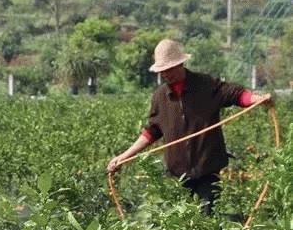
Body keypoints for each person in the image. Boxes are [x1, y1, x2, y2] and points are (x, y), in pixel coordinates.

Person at [107, 39, 272, 216]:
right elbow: (152, 131)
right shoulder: (160, 97)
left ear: (181, 63)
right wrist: (124, 156)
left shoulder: (205, 85)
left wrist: (255, 99)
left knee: (206, 221)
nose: (166, 74)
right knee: (178, 228)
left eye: (169, 69)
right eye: (162, 71)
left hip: (207, 170)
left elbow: (236, 94)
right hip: (177, 176)